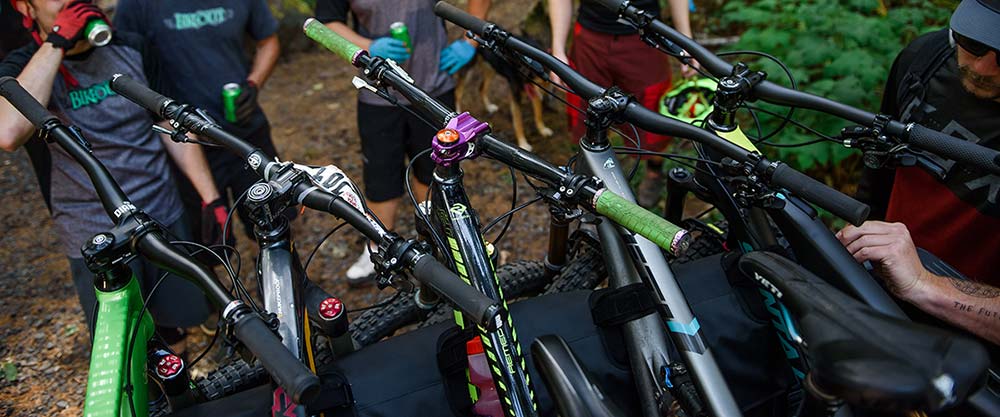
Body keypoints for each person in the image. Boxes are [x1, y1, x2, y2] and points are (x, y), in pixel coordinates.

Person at [0, 0, 217, 348]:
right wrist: (56, 43)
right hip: (94, 234)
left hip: (160, 211)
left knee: (181, 323)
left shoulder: (133, 46)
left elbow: (167, 124)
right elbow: (9, 133)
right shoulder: (22, 67)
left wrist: (211, 197)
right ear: (27, 8)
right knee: (124, 344)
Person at [845, 0, 999, 344]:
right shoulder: (926, 58)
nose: (983, 67)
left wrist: (924, 285)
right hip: (878, 295)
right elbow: (878, 173)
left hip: (969, 351)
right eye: (974, 42)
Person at [316, 0, 491, 285]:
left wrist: (470, 40)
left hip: (433, 89)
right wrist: (367, 45)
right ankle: (378, 248)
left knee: (435, 169)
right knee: (380, 174)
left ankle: (440, 242)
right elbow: (328, 20)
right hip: (377, 92)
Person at [113, 0, 283, 248]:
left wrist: (253, 84)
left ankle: (279, 282)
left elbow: (268, 42)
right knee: (206, 244)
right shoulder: (136, 5)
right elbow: (123, 60)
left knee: (276, 224)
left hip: (246, 135)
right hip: (184, 144)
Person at [548, 0, 697, 206]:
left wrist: (685, 40)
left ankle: (654, 171)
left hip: (645, 37)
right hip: (590, 36)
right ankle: (591, 184)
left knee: (652, 111)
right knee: (587, 112)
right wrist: (558, 48)